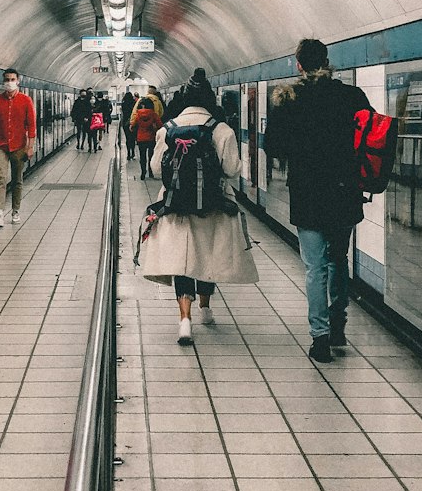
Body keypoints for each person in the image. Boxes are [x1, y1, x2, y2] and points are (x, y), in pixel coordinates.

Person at [268, 38, 370, 363]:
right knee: (338, 259)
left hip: (308, 193)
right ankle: (338, 323)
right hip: (344, 192)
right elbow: (370, 135)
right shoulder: (351, 96)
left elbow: (274, 147)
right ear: (327, 61)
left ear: (298, 64)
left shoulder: (289, 99)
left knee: (314, 268)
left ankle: (320, 338)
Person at [138, 72, 258, 345]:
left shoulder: (166, 129)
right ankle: (205, 309)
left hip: (175, 205)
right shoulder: (222, 129)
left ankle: (184, 321)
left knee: (182, 262)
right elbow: (231, 169)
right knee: (207, 256)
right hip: (213, 203)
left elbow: (157, 169)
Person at [0, 67, 36, 227]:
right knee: (0, 177)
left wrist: (30, 146)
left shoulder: (26, 100)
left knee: (17, 179)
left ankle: (15, 210)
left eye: (12, 80)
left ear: (18, 81)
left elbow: (31, 126)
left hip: (19, 145)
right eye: (6, 79)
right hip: (0, 145)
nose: (9, 83)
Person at [133, 96, 159, 179]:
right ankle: (151, 172)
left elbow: (133, 125)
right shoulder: (154, 114)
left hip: (141, 138)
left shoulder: (138, 114)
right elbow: (160, 125)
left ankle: (143, 173)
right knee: (151, 156)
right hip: (151, 138)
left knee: (142, 156)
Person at [121, 89, 139, 159]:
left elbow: (124, 113)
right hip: (133, 122)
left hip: (125, 123)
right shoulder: (134, 103)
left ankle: (128, 153)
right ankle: (133, 153)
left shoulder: (123, 104)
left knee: (127, 138)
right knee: (133, 138)